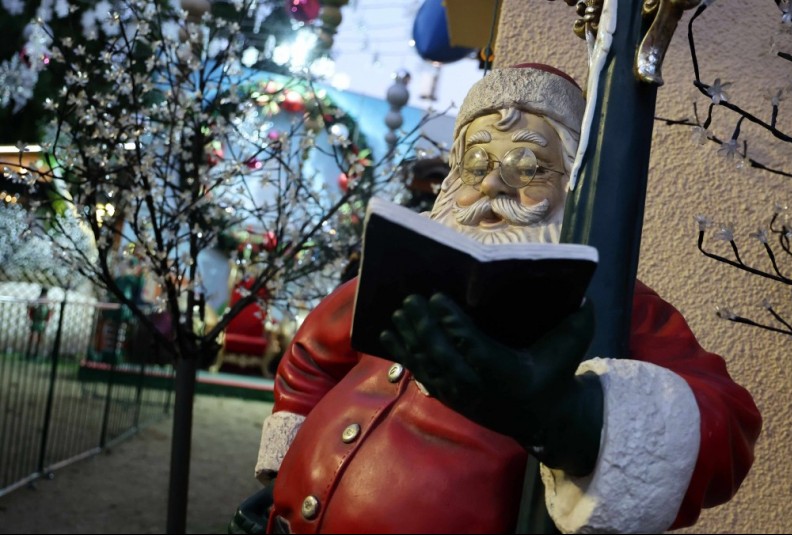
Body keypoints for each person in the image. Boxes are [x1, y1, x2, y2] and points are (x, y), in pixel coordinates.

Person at [249, 64, 761, 534]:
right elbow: (312, 355)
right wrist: (285, 467)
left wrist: (567, 418)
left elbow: (726, 430)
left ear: (571, 182)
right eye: (477, 164)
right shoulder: (404, 266)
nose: (493, 183)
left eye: (528, 166)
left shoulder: (605, 301)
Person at [27, 287, 52, 358]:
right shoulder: (44, 300)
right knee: (37, 337)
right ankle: (33, 353)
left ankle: (33, 353)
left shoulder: (40, 299)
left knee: (35, 337)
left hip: (38, 321)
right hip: (40, 321)